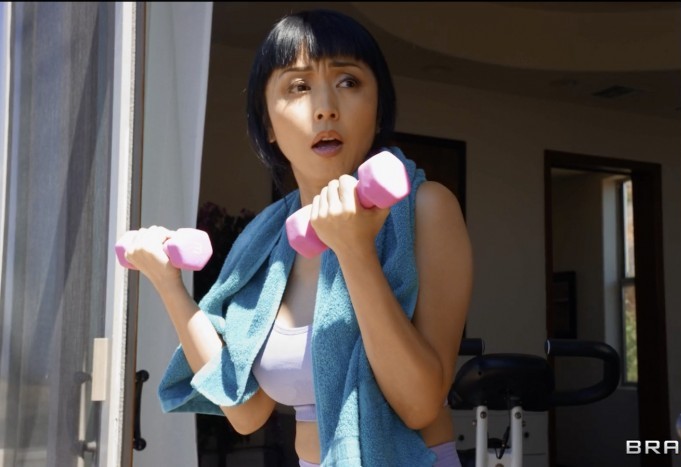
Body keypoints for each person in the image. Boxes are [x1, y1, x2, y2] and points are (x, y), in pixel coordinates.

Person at [123, 9, 472, 467]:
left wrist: (354, 250)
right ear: (268, 123)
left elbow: (420, 404)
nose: (325, 107)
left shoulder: (426, 208)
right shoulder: (266, 241)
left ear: (378, 109)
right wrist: (170, 285)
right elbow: (245, 411)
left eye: (348, 81)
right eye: (299, 86)